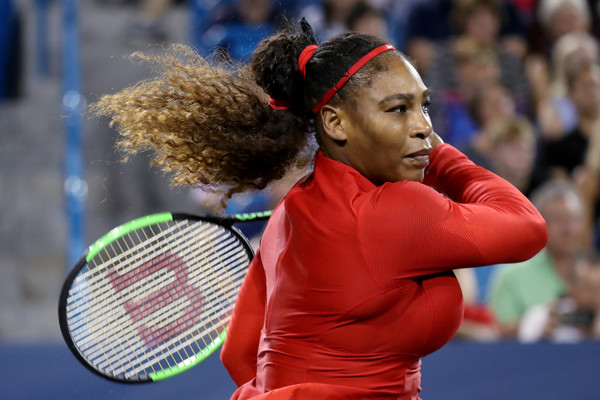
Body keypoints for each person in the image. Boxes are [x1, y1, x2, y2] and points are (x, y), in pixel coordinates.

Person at [91, 19, 547, 400]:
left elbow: (241, 353)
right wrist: (445, 159)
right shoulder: (395, 210)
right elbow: (527, 228)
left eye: (424, 106)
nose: (423, 127)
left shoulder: (291, 211)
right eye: (398, 109)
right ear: (334, 122)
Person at [488, 179, 584, 338]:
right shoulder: (511, 275)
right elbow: (496, 333)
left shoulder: (593, 270)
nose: (568, 229)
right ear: (539, 224)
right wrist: (534, 325)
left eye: (573, 219)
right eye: (558, 220)